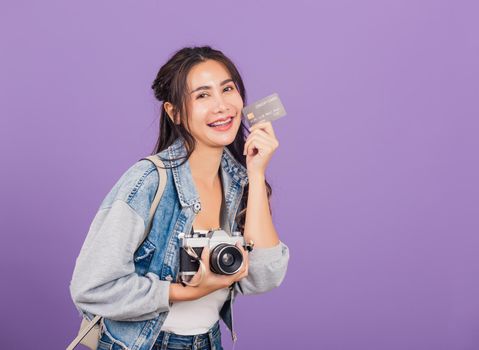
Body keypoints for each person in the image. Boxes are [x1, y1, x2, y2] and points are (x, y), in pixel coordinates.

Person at [70, 46, 289, 350]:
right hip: (145, 344)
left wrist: (255, 172)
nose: (221, 105)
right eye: (202, 95)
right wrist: (184, 292)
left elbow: (263, 277)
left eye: (227, 89)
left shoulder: (239, 182)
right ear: (174, 113)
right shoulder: (148, 181)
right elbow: (92, 288)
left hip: (208, 341)